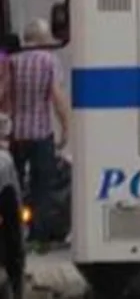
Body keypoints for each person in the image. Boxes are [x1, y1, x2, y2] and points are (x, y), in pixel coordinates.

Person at [11, 19, 69, 249]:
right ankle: (39, 236)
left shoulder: (11, 61)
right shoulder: (49, 61)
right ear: (43, 39)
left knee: (13, 184)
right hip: (41, 134)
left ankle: (13, 233)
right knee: (42, 187)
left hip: (14, 134)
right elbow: (57, 97)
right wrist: (66, 127)